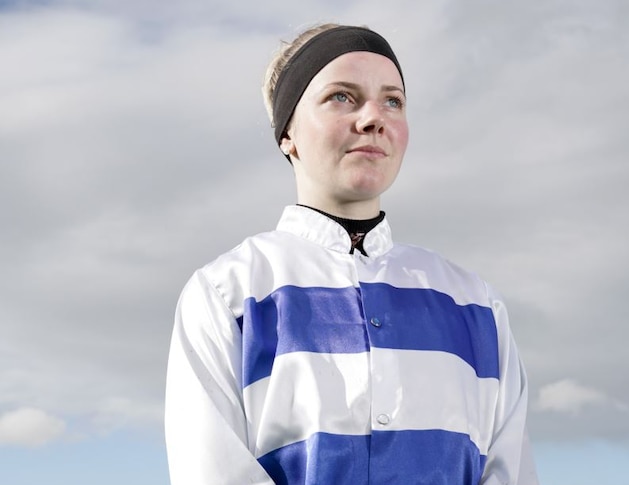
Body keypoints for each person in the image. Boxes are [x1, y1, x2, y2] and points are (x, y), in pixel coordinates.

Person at [165, 23, 538, 485]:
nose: (373, 118)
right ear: (288, 134)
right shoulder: (228, 293)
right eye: (342, 96)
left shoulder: (475, 303)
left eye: (393, 100)